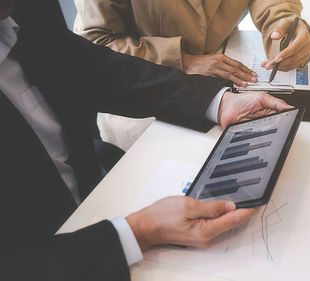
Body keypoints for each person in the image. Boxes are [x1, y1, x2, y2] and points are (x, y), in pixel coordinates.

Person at [0, 0, 292, 280]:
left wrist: (215, 101)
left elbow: (86, 63)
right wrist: (140, 231)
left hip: (91, 200)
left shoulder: (22, 9)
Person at [74, 0, 310, 150]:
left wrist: (283, 24)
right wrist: (183, 60)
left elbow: (273, 4)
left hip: (224, 74)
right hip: (141, 89)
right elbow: (96, 42)